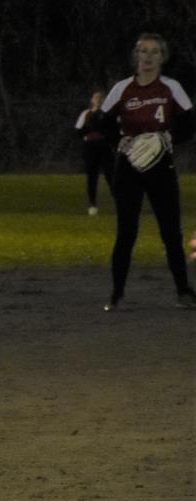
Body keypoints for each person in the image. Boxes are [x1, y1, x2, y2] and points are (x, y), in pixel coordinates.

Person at [99, 33, 196, 312]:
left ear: (162, 57)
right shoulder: (122, 89)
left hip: (161, 167)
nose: (149, 56)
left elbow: (189, 124)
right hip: (128, 166)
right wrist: (119, 139)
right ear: (136, 56)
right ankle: (116, 294)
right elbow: (103, 123)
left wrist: (168, 137)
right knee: (126, 232)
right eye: (143, 51)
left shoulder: (170, 87)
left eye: (155, 52)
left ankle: (184, 291)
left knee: (171, 233)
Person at [74, 90, 114, 215]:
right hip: (90, 147)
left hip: (104, 146)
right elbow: (78, 132)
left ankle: (120, 203)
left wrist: (102, 128)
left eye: (101, 98)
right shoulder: (86, 114)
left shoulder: (108, 114)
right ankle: (92, 205)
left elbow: (113, 131)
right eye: (96, 98)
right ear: (92, 100)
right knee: (92, 176)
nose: (98, 100)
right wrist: (89, 127)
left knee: (110, 175)